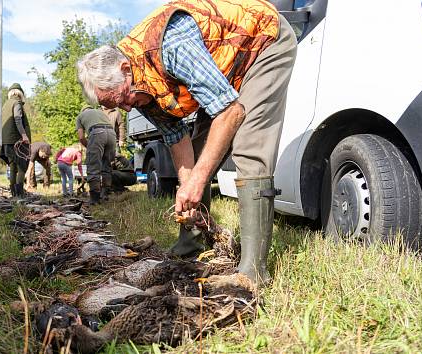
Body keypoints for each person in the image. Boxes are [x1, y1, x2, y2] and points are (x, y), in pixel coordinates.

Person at [76, 0, 297, 286]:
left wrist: (197, 181)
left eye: (122, 99)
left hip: (263, 42)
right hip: (224, 69)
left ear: (125, 69)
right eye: (116, 105)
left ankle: (253, 272)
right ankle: (192, 245)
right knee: (200, 150)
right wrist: (188, 185)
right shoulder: (135, 88)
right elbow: (177, 138)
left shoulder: (171, 45)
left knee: (248, 146)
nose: (127, 109)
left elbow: (231, 112)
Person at [76, 107, 116, 205]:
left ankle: (94, 199)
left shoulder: (80, 116)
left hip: (97, 133)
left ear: (83, 111)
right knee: (107, 165)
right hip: (112, 134)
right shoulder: (101, 112)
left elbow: (81, 137)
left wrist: (89, 146)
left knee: (93, 165)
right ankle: (105, 194)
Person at [0, 83, 31, 197]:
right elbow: (18, 119)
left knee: (13, 167)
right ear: (20, 93)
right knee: (22, 167)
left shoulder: (5, 105)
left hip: (6, 141)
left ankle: (14, 195)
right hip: (17, 142)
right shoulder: (16, 103)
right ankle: (20, 195)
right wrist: (24, 135)